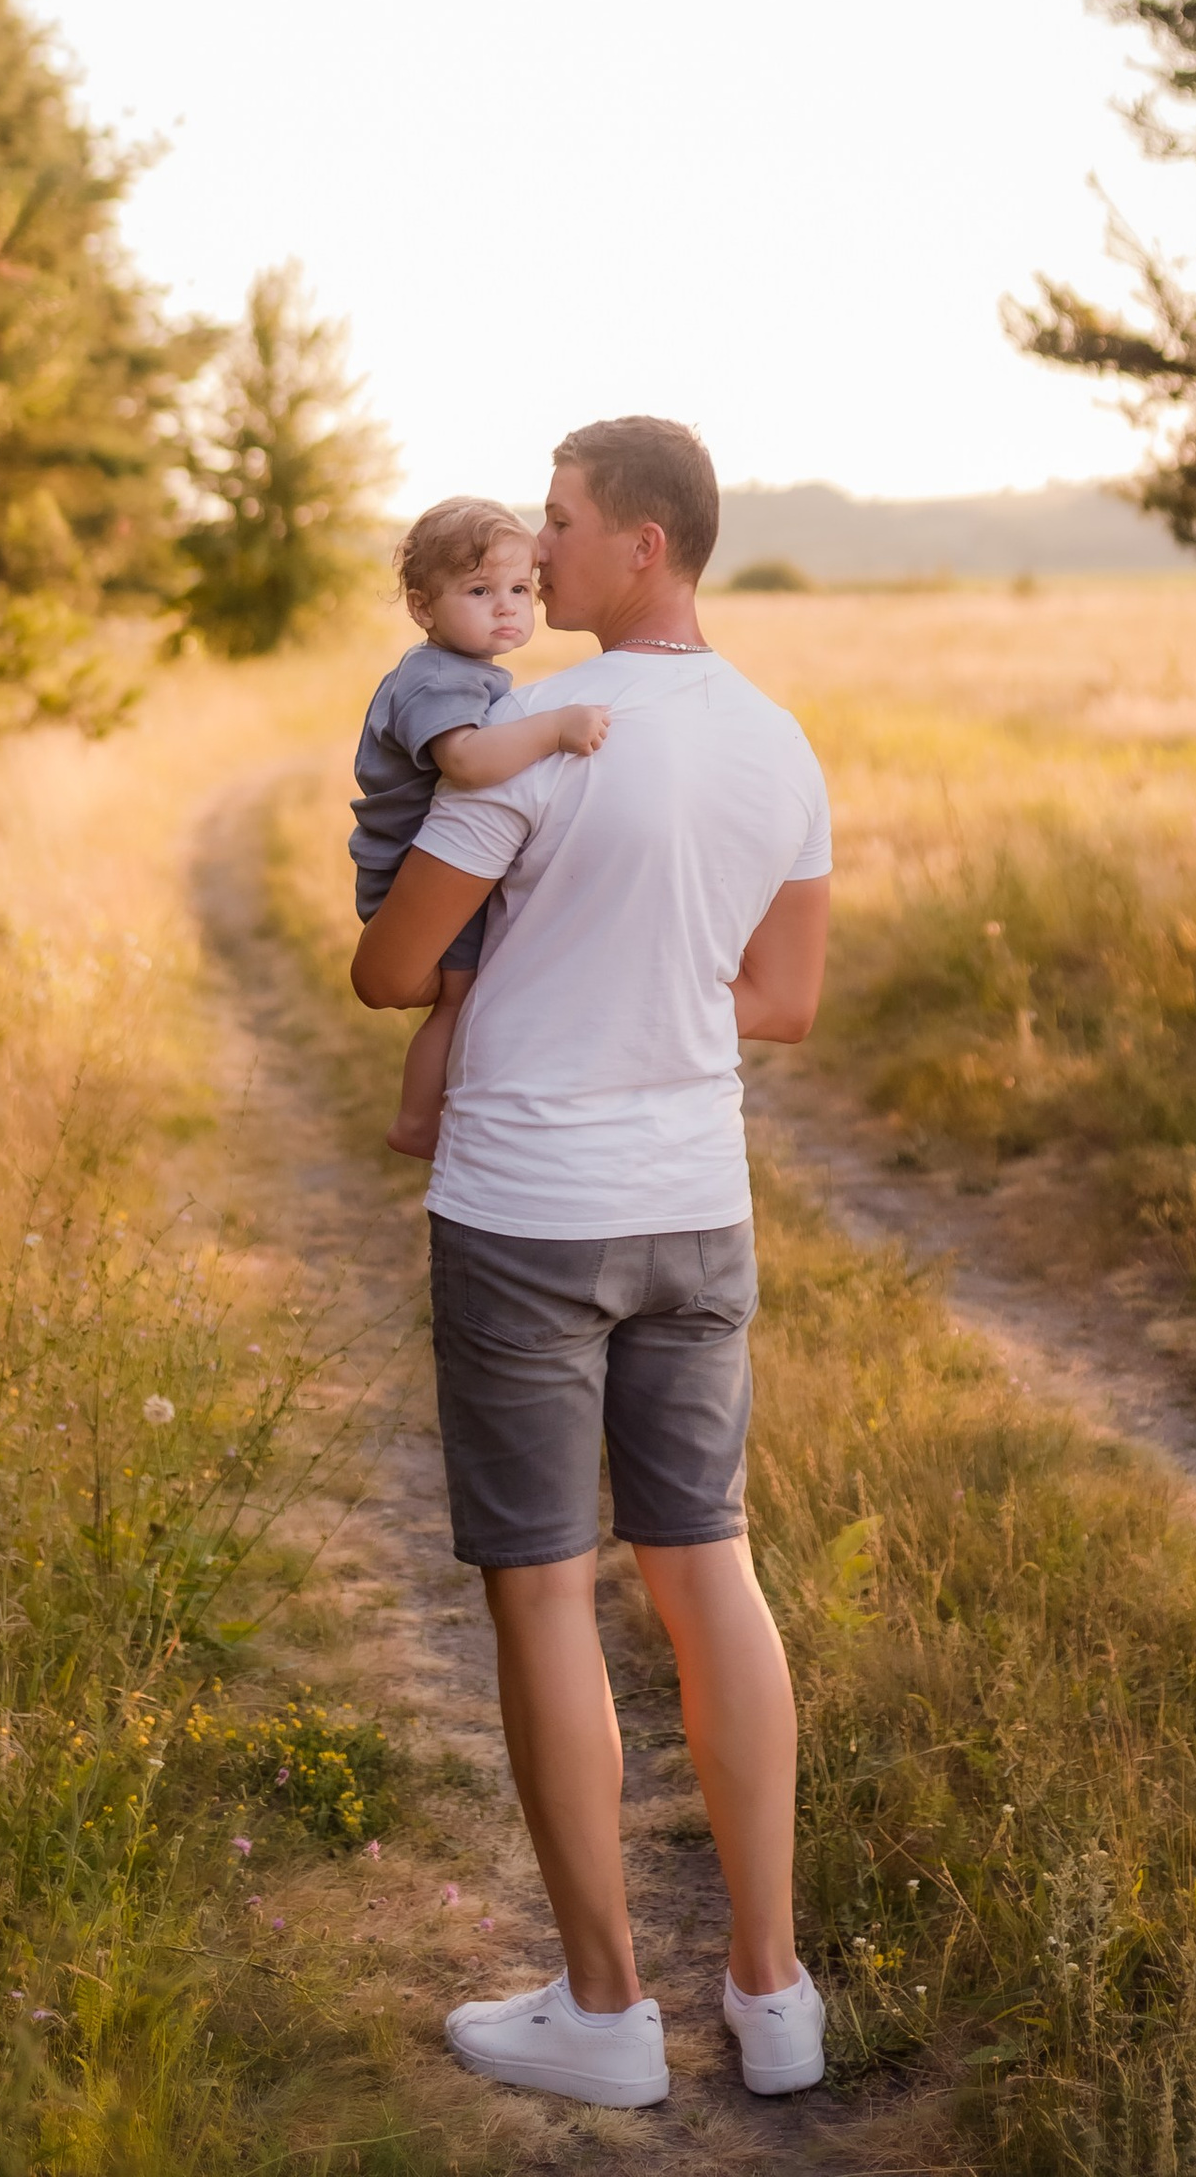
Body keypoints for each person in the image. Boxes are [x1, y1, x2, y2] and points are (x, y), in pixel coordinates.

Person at [351, 415, 834, 2112]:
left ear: (644, 542)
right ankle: (776, 2000)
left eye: (558, 524)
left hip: (531, 1215)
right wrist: (645, 991)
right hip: (698, 1206)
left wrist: (519, 977)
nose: (535, 554)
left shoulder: (532, 744)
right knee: (710, 1570)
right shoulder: (783, 747)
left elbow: (390, 967)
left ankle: (609, 2013)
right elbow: (780, 1001)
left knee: (546, 1588)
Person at [349, 498, 612, 1158]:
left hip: (424, 865)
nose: (507, 606)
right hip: (412, 872)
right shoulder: (437, 679)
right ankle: (417, 1122)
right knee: (458, 999)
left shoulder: (459, 671)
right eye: (479, 590)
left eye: (520, 589)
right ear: (421, 606)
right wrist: (553, 728)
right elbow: (465, 762)